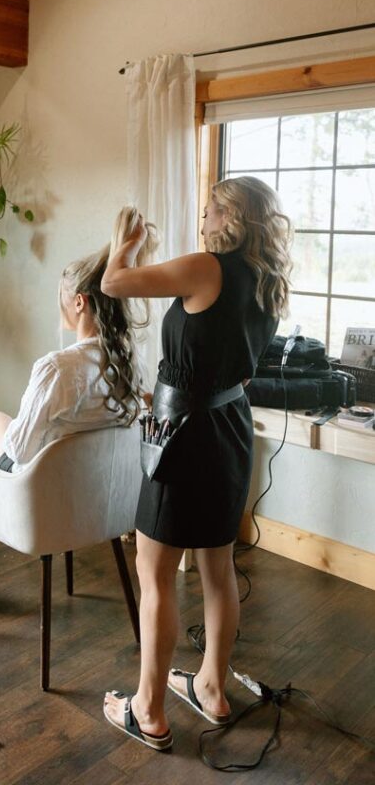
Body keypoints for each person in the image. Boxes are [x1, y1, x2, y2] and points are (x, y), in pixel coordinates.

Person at [102, 177, 292, 752]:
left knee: (154, 571)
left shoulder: (206, 267)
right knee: (217, 566)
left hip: (184, 435)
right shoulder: (268, 282)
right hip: (231, 428)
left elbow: (114, 283)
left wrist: (125, 244)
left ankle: (149, 710)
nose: (203, 217)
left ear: (230, 218)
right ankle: (210, 685)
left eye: (210, 209)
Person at [0, 233, 157, 602]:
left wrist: (4, 429)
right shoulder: (130, 364)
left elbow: (20, 452)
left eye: (61, 301)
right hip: (100, 504)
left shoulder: (57, 368)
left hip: (45, 503)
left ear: (79, 302)